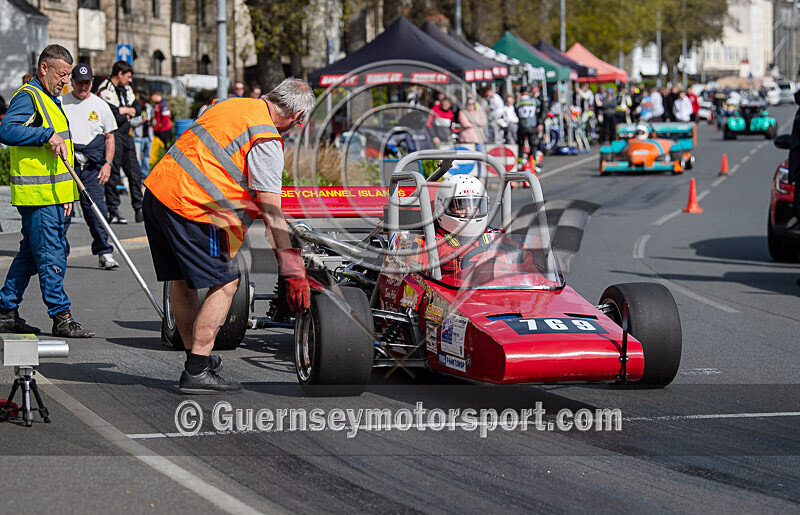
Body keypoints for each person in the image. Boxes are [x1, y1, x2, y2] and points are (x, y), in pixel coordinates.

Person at [142, 78, 315, 393]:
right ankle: (196, 371)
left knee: (182, 282)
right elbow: (271, 210)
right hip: (193, 209)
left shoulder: (230, 103)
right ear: (296, 118)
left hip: (158, 193)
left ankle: (197, 359)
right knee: (227, 282)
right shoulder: (266, 139)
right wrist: (291, 268)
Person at [0, 45, 94, 338]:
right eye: (61, 74)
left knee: (29, 254)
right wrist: (43, 134)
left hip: (53, 196)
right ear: (44, 68)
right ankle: (61, 317)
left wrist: (67, 195)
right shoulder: (29, 98)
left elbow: (59, 155)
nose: (65, 81)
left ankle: (5, 310)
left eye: (67, 75)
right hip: (38, 197)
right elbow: (7, 131)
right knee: (52, 254)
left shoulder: (51, 99)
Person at [61, 63, 120, 270]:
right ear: (72, 82)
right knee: (63, 213)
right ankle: (60, 254)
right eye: (79, 83)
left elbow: (110, 138)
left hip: (92, 168)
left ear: (92, 82)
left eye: (87, 83)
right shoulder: (61, 103)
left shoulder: (100, 105)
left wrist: (108, 164)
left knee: (97, 213)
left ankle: (104, 252)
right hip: (67, 167)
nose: (83, 87)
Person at [96, 61, 144, 224]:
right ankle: (114, 210)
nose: (130, 80)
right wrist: (125, 112)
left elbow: (138, 108)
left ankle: (139, 207)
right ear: (119, 74)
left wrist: (125, 111)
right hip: (113, 135)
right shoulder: (105, 89)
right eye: (128, 76)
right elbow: (112, 116)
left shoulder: (127, 90)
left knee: (134, 172)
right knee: (113, 173)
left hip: (126, 135)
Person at [515, 86, 542, 167]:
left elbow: (516, 111)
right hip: (532, 125)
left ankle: (520, 161)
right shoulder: (533, 101)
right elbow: (539, 108)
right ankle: (533, 160)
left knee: (521, 143)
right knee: (533, 144)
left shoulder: (518, 102)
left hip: (522, 125)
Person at [130, 91, 154, 179]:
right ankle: (137, 176)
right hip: (138, 137)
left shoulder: (149, 108)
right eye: (144, 101)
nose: (145, 103)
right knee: (138, 158)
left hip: (148, 136)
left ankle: (144, 176)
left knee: (147, 157)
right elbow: (131, 122)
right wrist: (141, 120)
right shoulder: (135, 108)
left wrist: (152, 121)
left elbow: (153, 119)